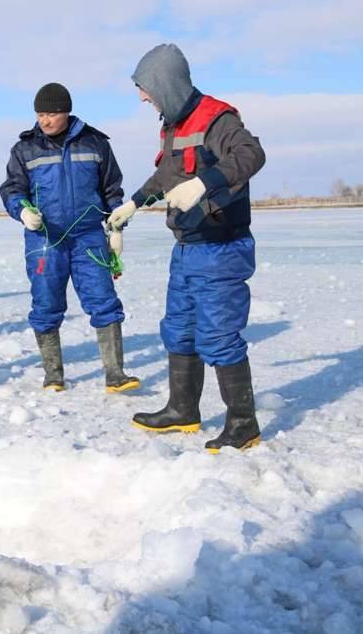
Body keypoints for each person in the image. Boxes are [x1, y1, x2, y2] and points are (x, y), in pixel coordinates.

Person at [107, 43, 266, 453]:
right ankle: (183, 410)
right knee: (179, 331)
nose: (143, 97)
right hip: (187, 247)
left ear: (167, 83)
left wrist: (205, 183)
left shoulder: (218, 119)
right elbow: (167, 173)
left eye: (146, 88)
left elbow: (251, 154)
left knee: (218, 335)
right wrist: (134, 203)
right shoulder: (175, 123)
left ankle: (243, 425)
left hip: (221, 247)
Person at [0, 83, 139, 393]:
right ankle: (53, 374)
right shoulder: (24, 149)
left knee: (103, 301)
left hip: (89, 236)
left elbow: (111, 189)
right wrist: (22, 211)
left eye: (50, 114)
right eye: (39, 114)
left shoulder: (96, 143)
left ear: (66, 112)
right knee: (46, 303)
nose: (44, 121)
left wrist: (116, 223)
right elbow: (11, 190)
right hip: (45, 240)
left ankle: (115, 374)